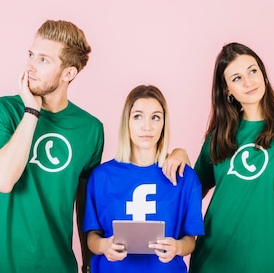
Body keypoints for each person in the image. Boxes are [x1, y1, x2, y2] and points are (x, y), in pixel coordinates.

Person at [164, 42, 274, 272]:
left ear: (263, 74)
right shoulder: (221, 134)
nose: (248, 82)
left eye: (253, 70)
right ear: (227, 90)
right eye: (236, 78)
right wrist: (180, 153)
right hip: (214, 258)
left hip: (267, 260)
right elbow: (192, 189)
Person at [0, 20, 105, 272]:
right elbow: (4, 180)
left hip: (55, 265)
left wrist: (88, 262)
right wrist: (31, 111)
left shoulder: (91, 129)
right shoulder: (4, 110)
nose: (30, 66)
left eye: (43, 60)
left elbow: (85, 205)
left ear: (68, 73)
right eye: (31, 55)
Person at [83, 85, 205, 273]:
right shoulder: (102, 177)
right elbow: (92, 236)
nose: (147, 126)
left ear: (164, 123)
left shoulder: (184, 177)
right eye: (138, 116)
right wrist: (103, 246)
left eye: (155, 117)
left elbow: (190, 240)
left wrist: (177, 248)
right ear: (127, 121)